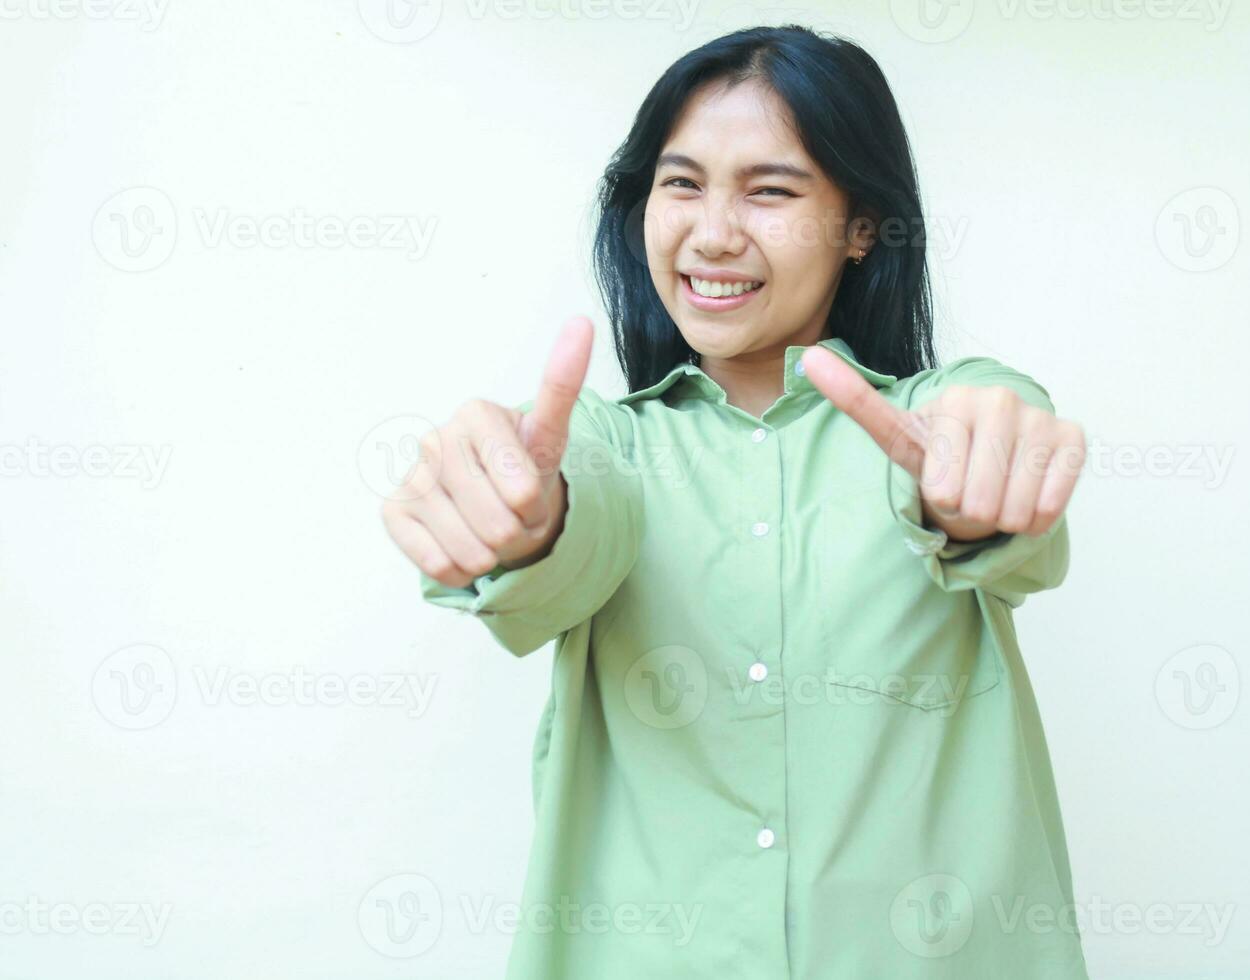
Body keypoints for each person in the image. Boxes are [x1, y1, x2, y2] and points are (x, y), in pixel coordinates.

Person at [381, 24, 1088, 980]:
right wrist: (525, 516)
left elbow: (992, 448)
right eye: (681, 183)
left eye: (770, 190)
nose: (712, 233)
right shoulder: (610, 446)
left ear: (862, 224)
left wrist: (975, 489)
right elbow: (574, 517)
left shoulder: (933, 416)